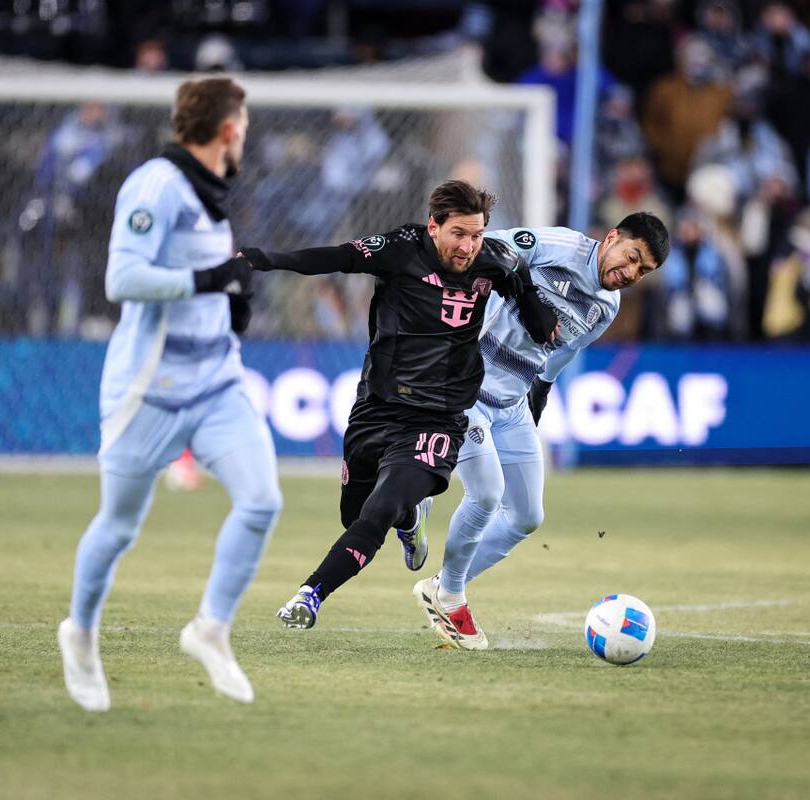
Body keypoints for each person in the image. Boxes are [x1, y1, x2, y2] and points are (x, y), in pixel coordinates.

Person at [246, 180, 560, 630]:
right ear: (434, 226)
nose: (469, 246)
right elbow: (336, 257)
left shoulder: (497, 260)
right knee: (353, 516)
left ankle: (309, 595)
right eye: (459, 234)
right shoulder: (400, 248)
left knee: (378, 512)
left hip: (441, 417)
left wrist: (540, 318)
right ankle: (410, 519)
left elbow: (523, 289)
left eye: (476, 235)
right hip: (377, 405)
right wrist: (265, 259)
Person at [59, 77, 280, 712]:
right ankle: (79, 631)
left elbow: (210, 282)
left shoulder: (213, 192)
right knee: (119, 525)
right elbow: (123, 278)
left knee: (261, 501)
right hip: (148, 389)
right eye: (246, 126)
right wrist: (213, 277)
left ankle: (210, 630)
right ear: (230, 129)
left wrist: (233, 300)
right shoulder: (156, 184)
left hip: (215, 382)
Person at [414, 212, 670, 650]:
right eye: (631, 258)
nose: (630, 274)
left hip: (511, 404)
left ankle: (439, 578)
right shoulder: (559, 247)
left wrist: (533, 408)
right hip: (466, 389)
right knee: (486, 494)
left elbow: (553, 362)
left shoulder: (606, 307)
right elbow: (486, 247)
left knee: (527, 515)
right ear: (611, 238)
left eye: (642, 271)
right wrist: (524, 293)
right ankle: (450, 592)